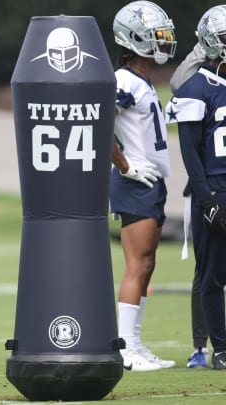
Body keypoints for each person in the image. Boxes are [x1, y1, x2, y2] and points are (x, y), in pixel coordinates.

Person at [111, 1, 177, 371]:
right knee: (138, 264)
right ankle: (124, 349)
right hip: (133, 181)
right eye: (156, 34)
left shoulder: (140, 80)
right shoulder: (122, 81)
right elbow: (100, 122)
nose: (164, 40)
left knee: (147, 264)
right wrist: (124, 164)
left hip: (148, 179)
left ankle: (133, 343)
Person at [165, 4, 226, 371]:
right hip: (214, 189)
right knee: (211, 275)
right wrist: (206, 199)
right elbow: (189, 152)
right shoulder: (195, 87)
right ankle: (218, 349)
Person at [169, 41, 211, 369]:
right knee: (206, 270)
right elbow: (179, 82)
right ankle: (201, 346)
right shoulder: (203, 83)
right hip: (210, 184)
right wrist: (203, 46)